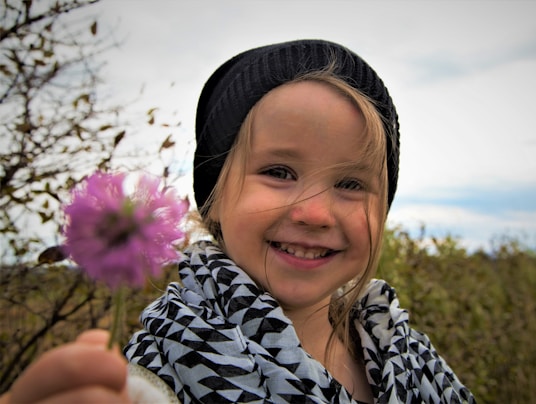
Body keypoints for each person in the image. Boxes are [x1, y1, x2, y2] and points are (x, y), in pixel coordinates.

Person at [1, 39, 474, 403]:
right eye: (278, 172)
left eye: (351, 184)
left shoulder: (403, 349)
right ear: (214, 200)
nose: (313, 213)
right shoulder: (154, 378)